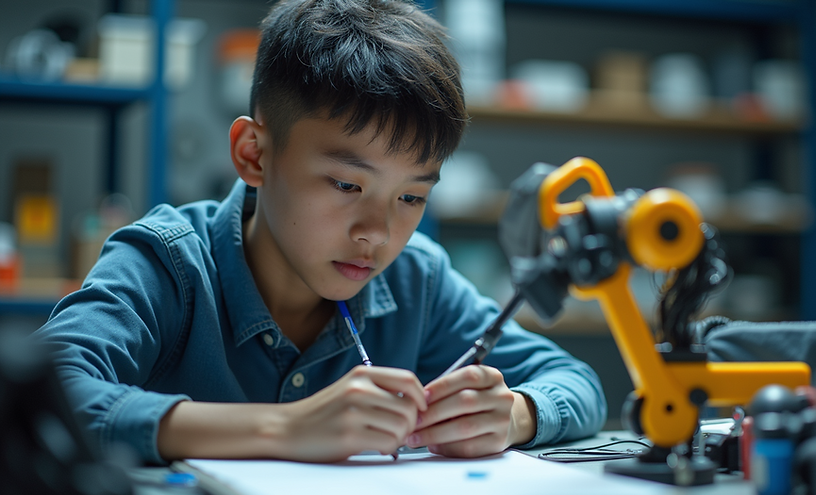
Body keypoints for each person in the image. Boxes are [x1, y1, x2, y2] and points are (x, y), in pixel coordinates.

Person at [35, 0, 606, 466]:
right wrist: (282, 428)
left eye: (411, 197)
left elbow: (576, 381)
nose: (377, 234)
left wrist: (513, 413)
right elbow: (44, 396)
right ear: (253, 154)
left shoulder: (417, 281)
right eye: (345, 185)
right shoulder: (168, 263)